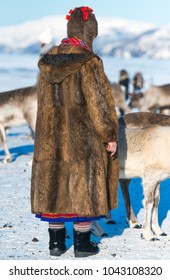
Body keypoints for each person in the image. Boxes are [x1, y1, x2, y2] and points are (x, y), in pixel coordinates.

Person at [31, 6, 119, 258]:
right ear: (89, 32)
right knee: (84, 185)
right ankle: (82, 244)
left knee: (53, 185)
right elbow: (98, 103)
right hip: (83, 139)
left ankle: (56, 244)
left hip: (50, 139)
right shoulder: (88, 61)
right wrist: (108, 134)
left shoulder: (47, 60)